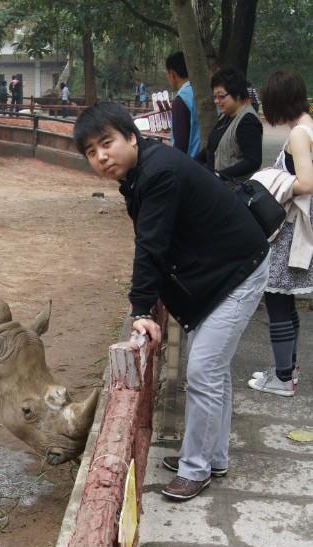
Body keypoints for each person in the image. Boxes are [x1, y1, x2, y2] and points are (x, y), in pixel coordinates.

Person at [74, 101, 269, 501]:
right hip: (220, 271)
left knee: (203, 370)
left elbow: (151, 245)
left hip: (239, 271)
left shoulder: (158, 172)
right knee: (211, 369)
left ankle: (194, 469)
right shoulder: (142, 171)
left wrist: (142, 309)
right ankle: (212, 458)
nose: (101, 156)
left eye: (106, 143)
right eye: (91, 152)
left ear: (132, 136)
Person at [248, 69, 313, 397]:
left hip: (289, 231)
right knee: (283, 301)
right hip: (296, 229)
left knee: (277, 300)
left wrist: (271, 179)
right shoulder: (307, 126)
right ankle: (287, 368)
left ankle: (284, 377)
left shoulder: (300, 133)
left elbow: (307, 182)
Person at [196, 67, 263, 180]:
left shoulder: (248, 121)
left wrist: (219, 175)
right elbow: (212, 147)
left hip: (234, 192)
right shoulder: (226, 115)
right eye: (215, 97)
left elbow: (253, 161)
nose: (216, 101)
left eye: (221, 96)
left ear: (237, 94)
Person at [165, 51, 201, 157]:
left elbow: (180, 145)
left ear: (172, 74)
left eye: (167, 73)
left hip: (191, 163)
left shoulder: (180, 101)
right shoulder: (203, 92)